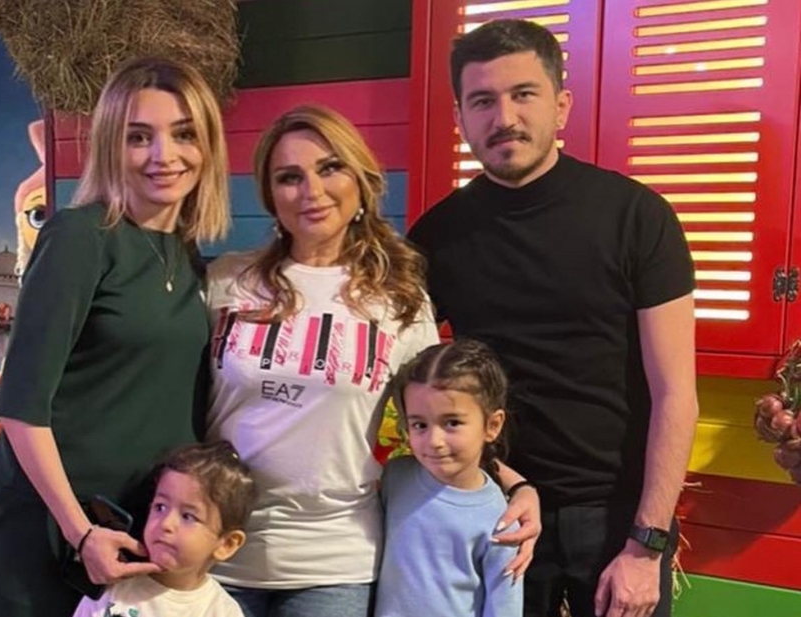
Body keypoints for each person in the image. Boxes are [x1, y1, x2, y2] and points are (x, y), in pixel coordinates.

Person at [407, 19, 699, 617]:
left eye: (524, 94)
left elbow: (676, 393)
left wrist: (646, 544)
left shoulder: (637, 217)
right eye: (482, 101)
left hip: (618, 516)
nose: (504, 117)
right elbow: (403, 372)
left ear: (561, 105)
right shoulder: (436, 237)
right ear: (460, 117)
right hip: (495, 506)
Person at [205, 105, 539, 617]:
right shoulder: (227, 281)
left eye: (330, 168)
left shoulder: (399, 300)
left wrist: (515, 485)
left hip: (335, 562)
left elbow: (441, 414)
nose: (311, 190)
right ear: (270, 195)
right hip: (216, 546)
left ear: (361, 181)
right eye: (289, 177)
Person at [0, 56, 231, 617]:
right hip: (60, 530)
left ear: (208, 145)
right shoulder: (79, 237)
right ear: (112, 146)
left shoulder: (186, 256)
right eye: (139, 137)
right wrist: (80, 531)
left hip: (143, 526)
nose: (164, 155)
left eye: (183, 134)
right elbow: (20, 406)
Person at [376, 340, 522, 617]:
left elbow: (504, 607)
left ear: (492, 425)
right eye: (420, 424)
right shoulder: (394, 478)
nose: (435, 441)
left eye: (452, 422)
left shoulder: (503, 522)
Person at [72, 441, 257, 617]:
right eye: (160, 507)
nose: (166, 523)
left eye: (188, 516)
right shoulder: (113, 586)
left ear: (226, 544)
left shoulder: (222, 611)